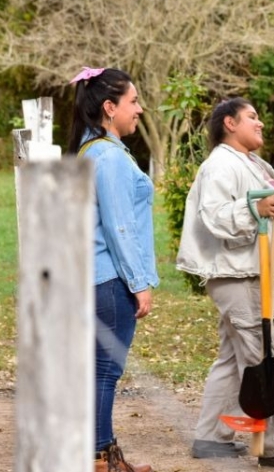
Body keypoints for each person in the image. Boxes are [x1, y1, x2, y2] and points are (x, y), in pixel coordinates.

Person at [176, 97, 274, 470]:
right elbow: (217, 216)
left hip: (250, 272)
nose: (260, 124)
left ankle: (211, 436)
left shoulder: (251, 163)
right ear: (229, 123)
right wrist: (255, 209)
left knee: (233, 357)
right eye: (251, 117)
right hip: (243, 274)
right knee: (268, 355)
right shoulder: (222, 164)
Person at [68, 66, 158, 472]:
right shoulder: (108, 156)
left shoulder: (87, 151)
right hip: (108, 281)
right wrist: (139, 283)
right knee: (106, 372)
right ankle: (99, 459)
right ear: (109, 107)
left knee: (96, 372)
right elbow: (120, 226)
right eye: (133, 101)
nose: (139, 109)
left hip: (89, 278)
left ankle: (101, 453)